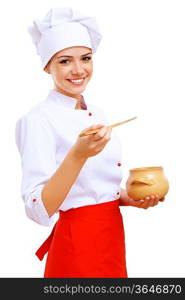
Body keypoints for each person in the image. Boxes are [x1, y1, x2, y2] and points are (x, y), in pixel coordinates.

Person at [15, 7, 164, 278]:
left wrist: (126, 197)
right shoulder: (38, 120)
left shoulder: (96, 112)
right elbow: (37, 208)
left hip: (111, 236)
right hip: (77, 247)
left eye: (85, 58)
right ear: (47, 65)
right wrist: (77, 155)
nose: (78, 70)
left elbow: (90, 187)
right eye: (64, 61)